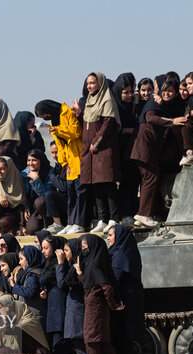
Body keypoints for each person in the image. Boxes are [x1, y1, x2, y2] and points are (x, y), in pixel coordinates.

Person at [73, 234, 126, 354]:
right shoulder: (94, 265)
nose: (83, 249)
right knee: (104, 347)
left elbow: (106, 288)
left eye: (85, 245)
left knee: (92, 345)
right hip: (98, 313)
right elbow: (93, 285)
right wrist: (80, 273)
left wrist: (114, 305)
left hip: (94, 314)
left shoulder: (95, 266)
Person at [71, 72, 122, 233]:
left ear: (100, 83)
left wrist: (96, 142)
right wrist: (79, 113)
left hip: (103, 149)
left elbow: (108, 124)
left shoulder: (106, 100)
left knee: (108, 184)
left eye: (93, 83)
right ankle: (103, 219)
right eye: (88, 84)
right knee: (96, 185)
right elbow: (86, 125)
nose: (90, 86)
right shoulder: (89, 102)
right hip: (90, 151)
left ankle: (114, 218)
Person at [131, 79, 186, 227]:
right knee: (150, 177)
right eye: (164, 90)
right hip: (145, 147)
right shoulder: (154, 102)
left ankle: (142, 214)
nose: (166, 94)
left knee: (149, 178)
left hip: (149, 148)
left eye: (170, 91)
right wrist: (172, 121)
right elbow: (150, 117)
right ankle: (144, 214)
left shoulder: (165, 104)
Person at [35, 99, 87, 235]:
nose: (45, 118)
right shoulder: (53, 121)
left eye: (44, 115)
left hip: (78, 157)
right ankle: (71, 222)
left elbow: (76, 132)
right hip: (69, 163)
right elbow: (60, 146)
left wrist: (57, 130)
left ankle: (80, 223)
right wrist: (64, 164)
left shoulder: (67, 112)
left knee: (80, 192)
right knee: (71, 193)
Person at [108, 225, 148, 354]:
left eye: (111, 235)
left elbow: (115, 278)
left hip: (125, 302)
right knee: (124, 336)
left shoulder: (120, 256)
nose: (109, 238)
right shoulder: (126, 252)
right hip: (129, 299)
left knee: (122, 335)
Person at [39, 235, 75, 354]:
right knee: (57, 346)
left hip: (60, 309)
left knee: (60, 347)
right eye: (42, 248)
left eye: (46, 248)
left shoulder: (61, 263)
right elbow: (43, 278)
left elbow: (54, 281)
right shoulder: (50, 263)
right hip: (53, 308)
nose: (43, 251)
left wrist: (60, 264)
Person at [56, 238, 90, 354]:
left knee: (81, 350)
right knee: (79, 349)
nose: (64, 253)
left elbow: (62, 283)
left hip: (77, 312)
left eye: (67, 250)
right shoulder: (74, 266)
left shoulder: (78, 267)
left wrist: (60, 263)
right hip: (74, 311)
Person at [112, 72, 141, 224]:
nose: (130, 95)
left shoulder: (133, 104)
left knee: (133, 181)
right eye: (126, 92)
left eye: (131, 91)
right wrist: (126, 131)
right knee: (124, 183)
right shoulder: (114, 105)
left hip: (132, 148)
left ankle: (130, 212)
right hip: (120, 149)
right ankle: (123, 214)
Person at [21, 149, 54, 235]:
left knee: (40, 201)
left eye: (34, 160)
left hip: (48, 208)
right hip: (34, 208)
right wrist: (26, 207)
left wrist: (36, 179)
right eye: (29, 160)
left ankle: (49, 226)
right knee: (31, 229)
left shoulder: (50, 172)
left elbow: (46, 195)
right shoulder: (25, 174)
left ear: (41, 161)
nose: (30, 163)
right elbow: (24, 193)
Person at [10, 245, 46, 320]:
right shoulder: (34, 272)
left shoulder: (32, 275)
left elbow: (29, 292)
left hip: (33, 315)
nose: (19, 262)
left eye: (21, 259)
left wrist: (14, 286)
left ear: (29, 258)